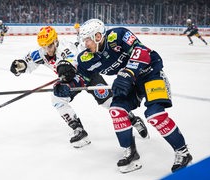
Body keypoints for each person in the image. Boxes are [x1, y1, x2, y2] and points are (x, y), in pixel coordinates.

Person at [56, 19, 192, 173]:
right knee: (116, 110)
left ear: (98, 36)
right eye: (83, 40)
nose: (85, 44)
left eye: (87, 40)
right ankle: (131, 152)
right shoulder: (86, 58)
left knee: (155, 114)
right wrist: (69, 87)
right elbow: (82, 78)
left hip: (150, 74)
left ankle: (183, 152)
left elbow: (142, 52)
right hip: (128, 81)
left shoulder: (118, 35)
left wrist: (128, 72)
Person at [10, 26, 149, 148]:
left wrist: (66, 67)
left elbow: (71, 59)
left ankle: (133, 119)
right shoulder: (42, 52)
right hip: (71, 80)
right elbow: (28, 60)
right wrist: (21, 65)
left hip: (87, 74)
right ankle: (78, 129)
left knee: (108, 102)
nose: (48, 50)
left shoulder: (65, 47)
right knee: (57, 97)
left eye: (50, 46)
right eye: (44, 47)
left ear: (56, 41)